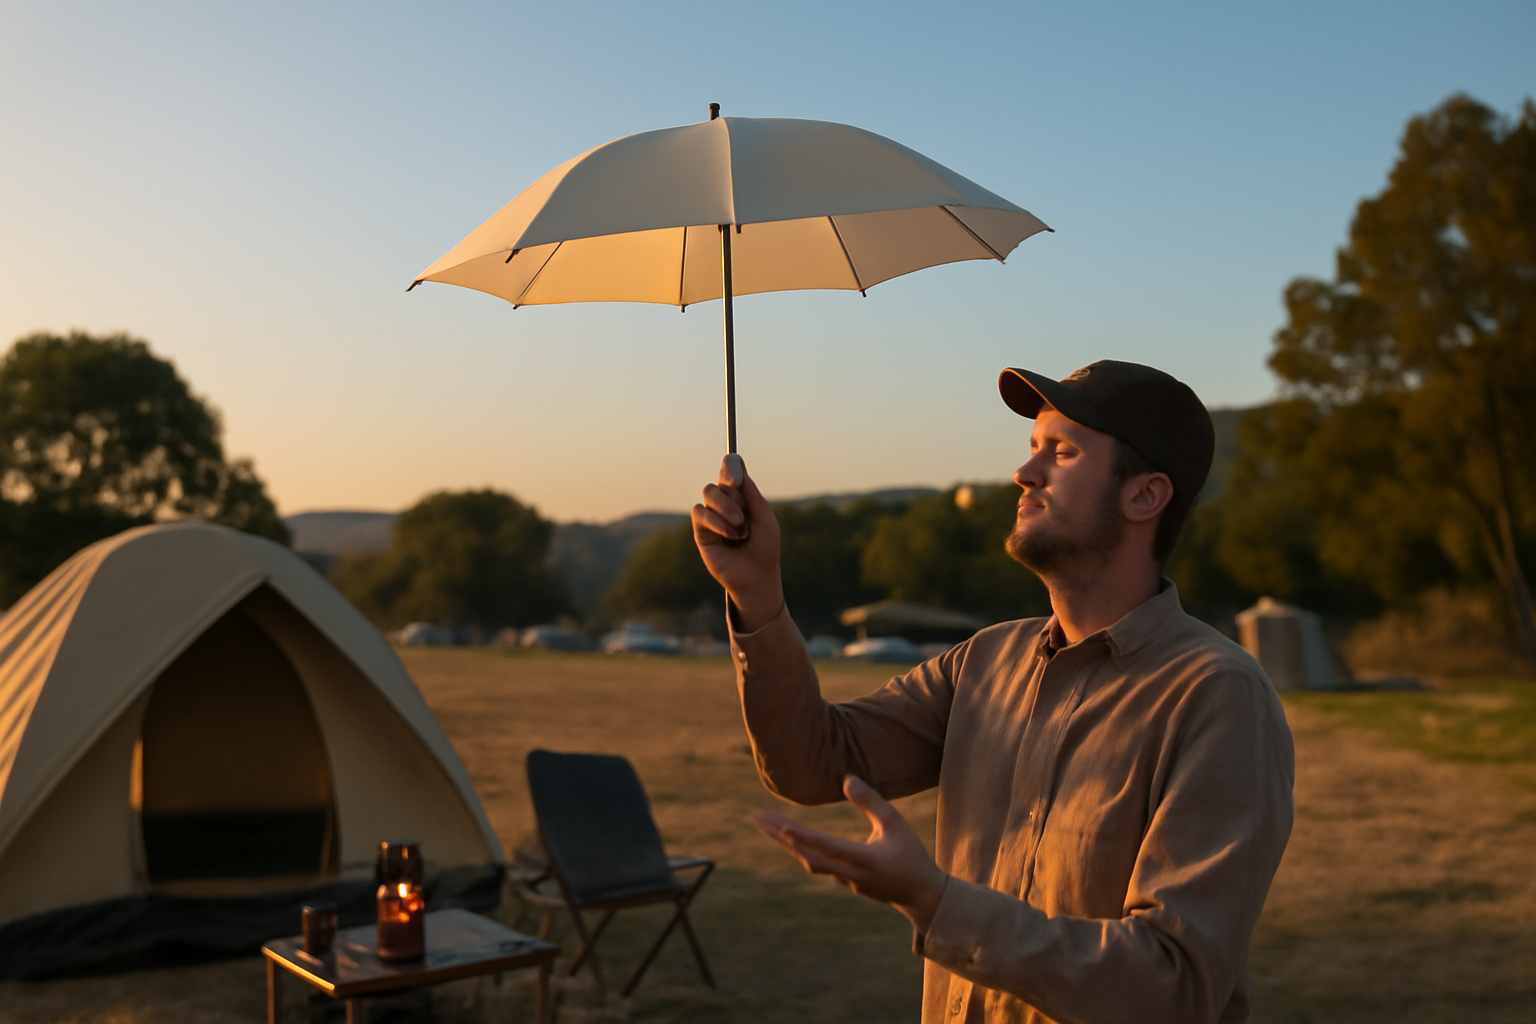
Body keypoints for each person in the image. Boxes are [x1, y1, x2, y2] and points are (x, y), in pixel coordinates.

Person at [691, 360, 1294, 1024]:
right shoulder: (984, 662)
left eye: (1060, 453)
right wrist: (757, 592)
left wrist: (938, 903)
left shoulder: (1216, 696)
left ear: (1145, 497)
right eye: (1032, 448)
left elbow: (1173, 988)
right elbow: (812, 761)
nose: (1024, 473)